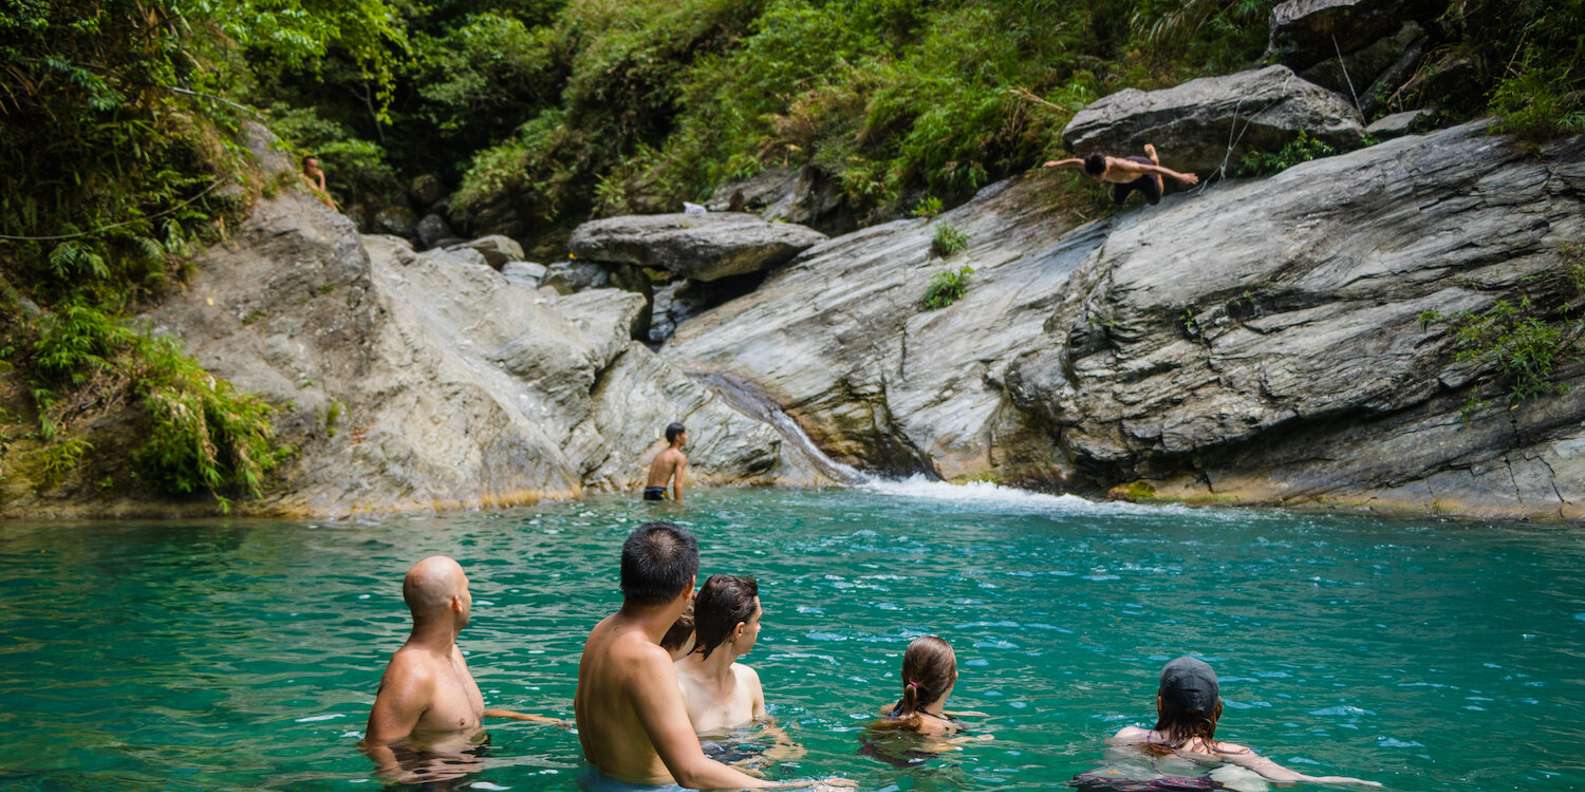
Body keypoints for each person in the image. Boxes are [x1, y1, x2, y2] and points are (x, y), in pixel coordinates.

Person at [573, 522, 847, 790]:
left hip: (595, 782)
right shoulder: (648, 659)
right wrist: (799, 787)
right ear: (689, 586)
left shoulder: (602, 631)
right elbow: (691, 772)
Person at [361, 556, 564, 784]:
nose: (471, 597)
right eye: (468, 588)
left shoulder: (452, 654)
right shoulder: (412, 674)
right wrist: (409, 782)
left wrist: (524, 718)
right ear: (457, 603)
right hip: (437, 784)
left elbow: (450, 716)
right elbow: (377, 745)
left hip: (467, 773)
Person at [1098, 657, 1380, 788]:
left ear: (1160, 703)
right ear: (1217, 710)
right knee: (1240, 778)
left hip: (1133, 781)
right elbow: (1289, 780)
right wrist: (1354, 781)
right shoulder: (1230, 752)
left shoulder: (1128, 735)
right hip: (1194, 781)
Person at [1043, 144, 1199, 207]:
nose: (1097, 179)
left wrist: (1180, 176)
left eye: (1099, 176)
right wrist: (1054, 164)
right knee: (1118, 203)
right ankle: (1130, 191)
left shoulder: (1123, 166)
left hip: (1143, 174)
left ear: (1106, 168)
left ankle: (1154, 158)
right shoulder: (1091, 164)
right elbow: (1074, 162)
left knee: (1155, 201)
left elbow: (1155, 171)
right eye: (1094, 177)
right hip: (1123, 182)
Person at [644, 422, 689, 503]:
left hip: (647, 492)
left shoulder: (659, 454)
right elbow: (677, 485)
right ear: (677, 437)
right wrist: (679, 505)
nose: (687, 437)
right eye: (684, 434)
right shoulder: (679, 456)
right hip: (660, 492)